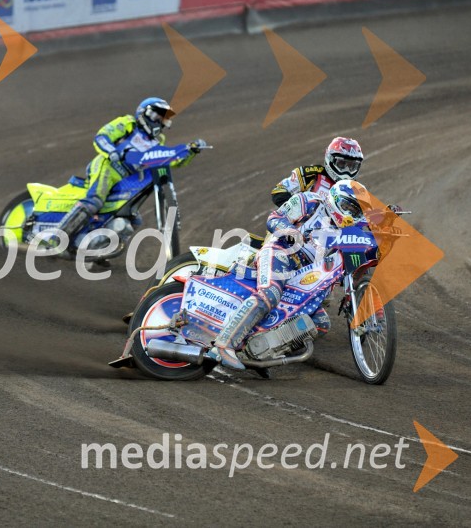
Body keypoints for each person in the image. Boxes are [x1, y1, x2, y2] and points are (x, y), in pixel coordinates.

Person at [207, 180, 369, 370]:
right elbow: (274, 217)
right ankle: (224, 344)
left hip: (305, 275)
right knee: (270, 293)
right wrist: (290, 230)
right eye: (347, 206)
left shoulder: (351, 229)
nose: (350, 215)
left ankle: (259, 353)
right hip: (280, 252)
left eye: (355, 211)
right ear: (334, 198)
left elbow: (374, 227)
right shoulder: (311, 201)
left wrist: (390, 217)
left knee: (320, 323)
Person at [50, 97, 205, 244]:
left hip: (126, 181)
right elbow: (101, 137)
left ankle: (98, 249)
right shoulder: (128, 123)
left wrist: (190, 151)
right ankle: (57, 238)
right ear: (145, 113)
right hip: (107, 167)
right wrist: (111, 151)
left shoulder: (158, 142)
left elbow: (169, 161)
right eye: (157, 116)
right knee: (94, 201)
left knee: (131, 218)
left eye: (163, 118)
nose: (160, 122)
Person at [270, 137, 364, 206]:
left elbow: (371, 217)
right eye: (342, 164)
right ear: (330, 159)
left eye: (352, 166)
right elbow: (278, 190)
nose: (347, 171)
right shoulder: (309, 174)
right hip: (297, 228)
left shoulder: (356, 190)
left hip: (335, 232)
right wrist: (295, 206)